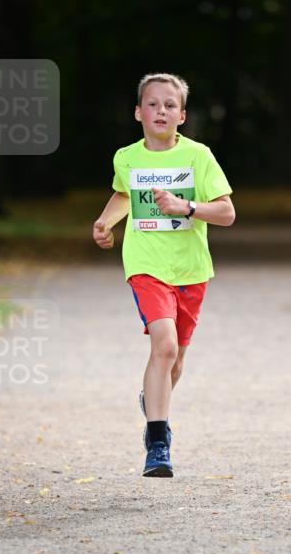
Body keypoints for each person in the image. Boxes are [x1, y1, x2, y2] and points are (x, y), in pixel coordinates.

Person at [93, 73, 235, 478]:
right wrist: (105, 223)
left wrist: (186, 207)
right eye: (152, 104)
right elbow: (124, 193)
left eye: (170, 105)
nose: (161, 110)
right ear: (138, 112)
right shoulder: (127, 157)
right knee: (166, 345)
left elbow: (226, 213)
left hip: (190, 269)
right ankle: (158, 442)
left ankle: (153, 399)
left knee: (175, 360)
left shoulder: (199, 157)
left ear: (182, 115)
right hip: (146, 264)